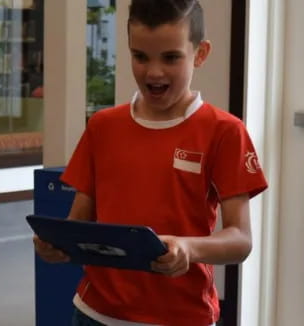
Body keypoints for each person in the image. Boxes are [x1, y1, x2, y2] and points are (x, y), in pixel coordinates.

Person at [33, 0, 268, 325]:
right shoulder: (103, 126)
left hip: (182, 316)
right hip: (93, 313)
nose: (153, 72)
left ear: (200, 53)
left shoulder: (225, 132)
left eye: (171, 57)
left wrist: (188, 248)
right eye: (140, 56)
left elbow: (241, 241)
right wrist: (58, 246)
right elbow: (79, 224)